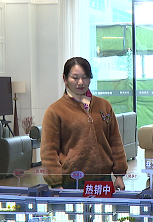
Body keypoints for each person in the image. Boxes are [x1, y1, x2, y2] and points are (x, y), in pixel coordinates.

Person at [41, 56, 128, 189]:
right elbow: (49, 151)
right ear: (65, 79)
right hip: (71, 182)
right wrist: (56, 183)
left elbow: (115, 141)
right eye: (75, 78)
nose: (80, 82)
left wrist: (119, 175)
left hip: (103, 179)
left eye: (85, 77)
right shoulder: (55, 110)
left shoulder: (104, 105)